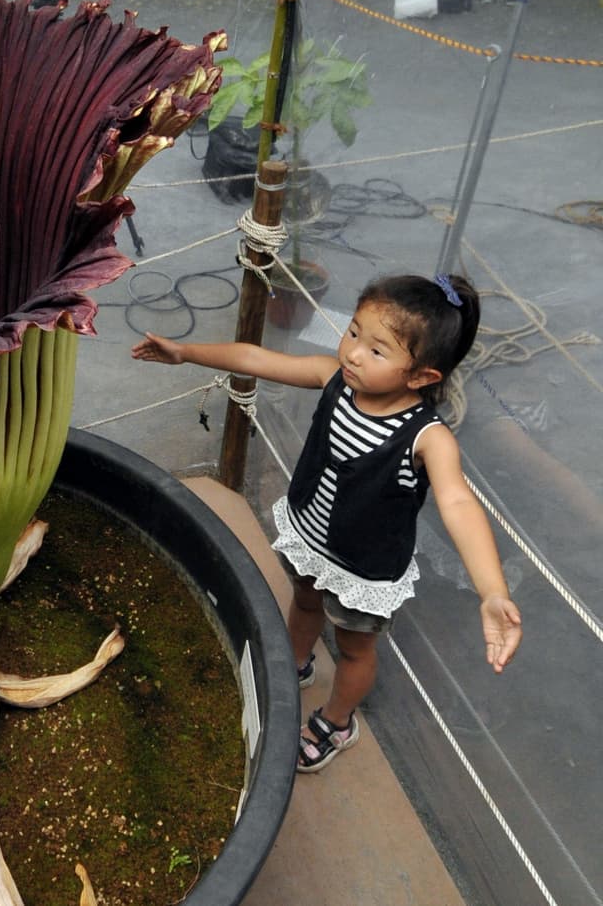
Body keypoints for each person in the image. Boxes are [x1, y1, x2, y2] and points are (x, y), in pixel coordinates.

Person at [132, 272, 522, 772]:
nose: (354, 352)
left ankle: (337, 721)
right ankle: (291, 663)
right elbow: (257, 359)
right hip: (312, 536)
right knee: (305, 598)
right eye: (354, 332)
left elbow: (460, 505)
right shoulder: (333, 378)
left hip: (364, 569)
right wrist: (185, 352)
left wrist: (492, 592)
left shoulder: (427, 437)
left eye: (378, 350)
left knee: (356, 648)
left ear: (422, 376)